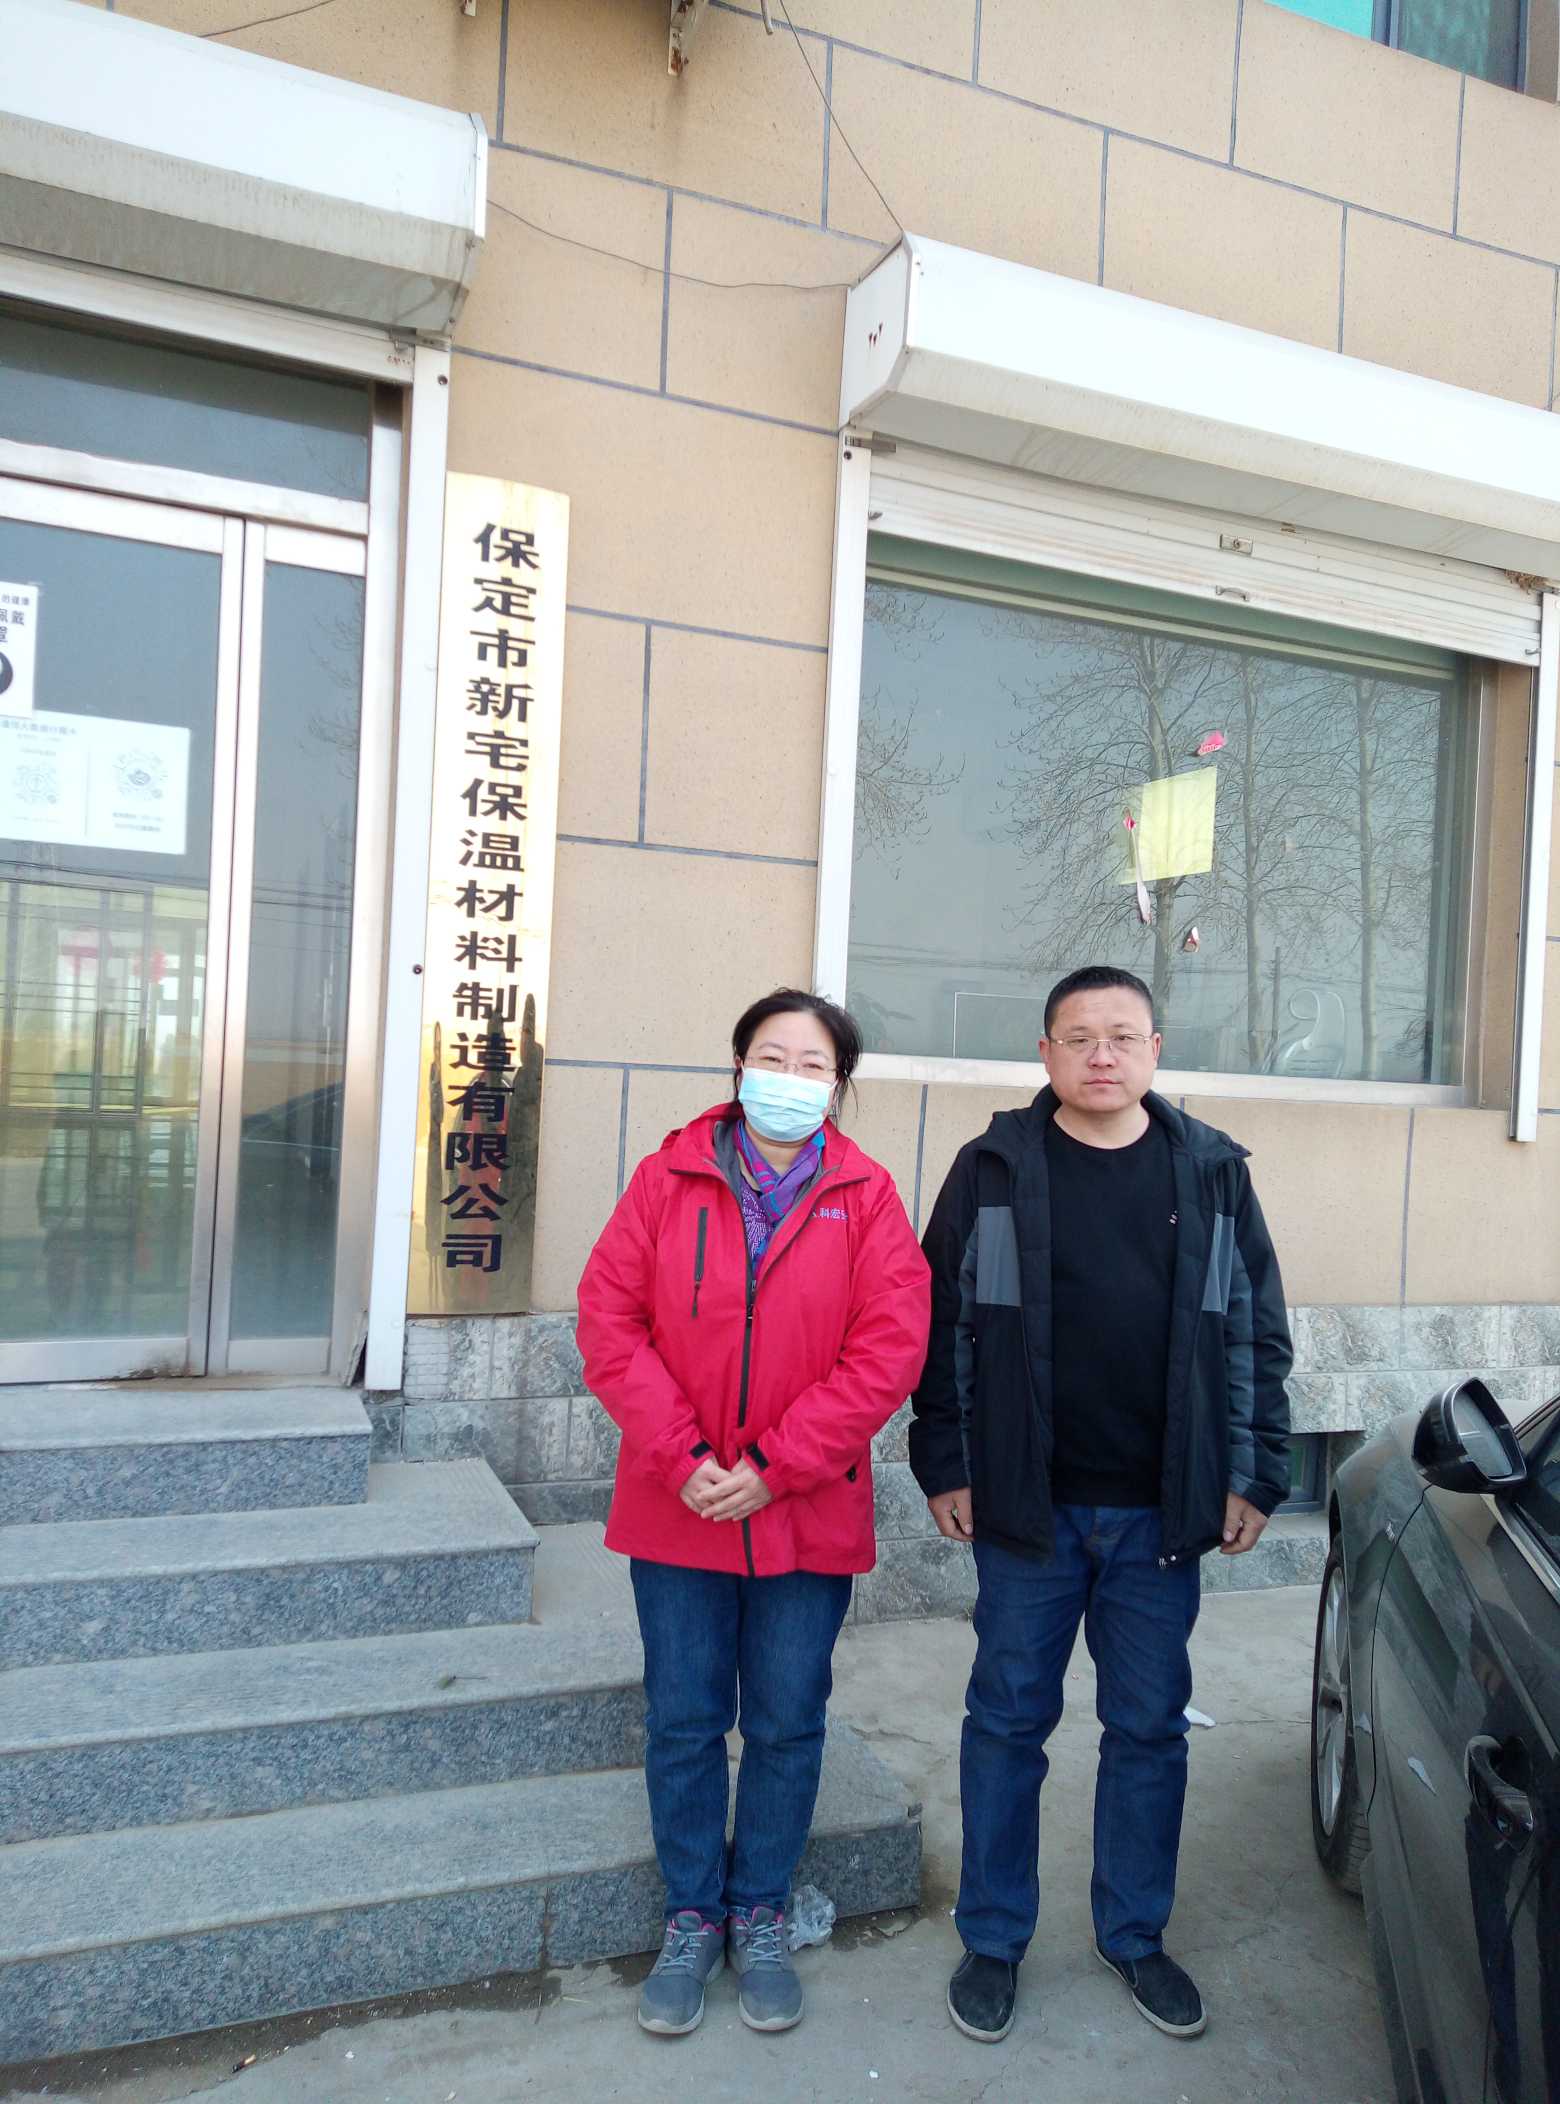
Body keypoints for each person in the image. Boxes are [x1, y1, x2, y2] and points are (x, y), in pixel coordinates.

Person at [910, 964, 1292, 2048]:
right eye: (1078, 1037)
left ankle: (1134, 1935)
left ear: (1156, 1049)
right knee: (1006, 1724)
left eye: (1122, 1035)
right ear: (1045, 1053)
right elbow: (942, 1327)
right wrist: (947, 1460)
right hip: (1027, 1509)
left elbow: (1254, 1332)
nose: (1101, 1055)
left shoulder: (1212, 1174)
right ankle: (994, 1937)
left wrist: (1255, 1470)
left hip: (1161, 1516)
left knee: (1148, 1731)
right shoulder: (993, 1169)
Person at [576, 988, 930, 2041]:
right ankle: (692, 1914)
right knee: (685, 1718)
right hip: (678, 1501)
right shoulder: (668, 1177)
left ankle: (759, 1911)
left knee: (784, 1719)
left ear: (837, 1084)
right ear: (738, 1068)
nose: (789, 1078)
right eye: (771, 1057)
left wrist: (777, 1466)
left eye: (813, 1064)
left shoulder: (867, 1197)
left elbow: (889, 1351)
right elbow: (609, 1320)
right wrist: (683, 1455)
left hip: (803, 1509)